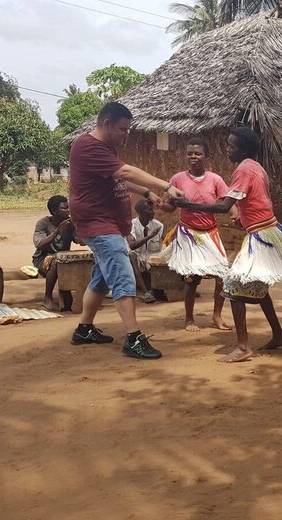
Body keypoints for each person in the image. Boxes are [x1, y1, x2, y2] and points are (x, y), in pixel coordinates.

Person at [171, 127, 282, 362]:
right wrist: (244, 216)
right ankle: (278, 334)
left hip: (262, 236)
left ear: (243, 149)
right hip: (265, 231)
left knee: (233, 288)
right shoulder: (255, 166)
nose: (228, 149)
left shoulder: (243, 169)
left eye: (231, 146)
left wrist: (188, 205)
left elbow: (223, 206)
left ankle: (243, 346)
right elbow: (256, 200)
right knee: (260, 289)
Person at [68, 101, 185, 360]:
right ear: (107, 123)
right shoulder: (87, 146)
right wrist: (165, 186)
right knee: (123, 276)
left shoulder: (106, 148)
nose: (126, 135)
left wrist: (148, 193)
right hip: (98, 224)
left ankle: (84, 329)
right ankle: (133, 338)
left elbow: (120, 178)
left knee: (101, 278)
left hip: (107, 223)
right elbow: (124, 171)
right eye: (123, 129)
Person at [165, 138, 237, 331]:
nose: (193, 157)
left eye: (197, 153)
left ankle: (216, 316)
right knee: (192, 278)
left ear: (207, 156)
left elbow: (228, 203)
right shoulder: (177, 179)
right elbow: (170, 207)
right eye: (190, 153)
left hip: (210, 233)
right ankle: (189, 319)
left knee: (221, 275)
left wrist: (236, 216)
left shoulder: (215, 179)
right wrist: (157, 203)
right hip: (188, 233)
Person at [32, 195, 78, 311]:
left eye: (68, 207)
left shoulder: (70, 223)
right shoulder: (43, 223)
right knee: (55, 262)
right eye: (64, 208)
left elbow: (80, 242)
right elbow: (39, 244)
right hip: (43, 258)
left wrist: (79, 228)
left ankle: (69, 294)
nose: (68, 210)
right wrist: (57, 232)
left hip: (64, 258)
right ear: (54, 211)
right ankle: (47, 297)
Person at [127, 200, 163, 304]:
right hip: (135, 258)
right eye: (149, 210)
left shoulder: (158, 225)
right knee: (132, 256)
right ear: (140, 212)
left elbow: (160, 246)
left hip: (148, 258)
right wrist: (149, 237)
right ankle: (145, 292)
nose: (153, 212)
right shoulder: (132, 225)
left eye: (152, 209)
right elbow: (132, 246)